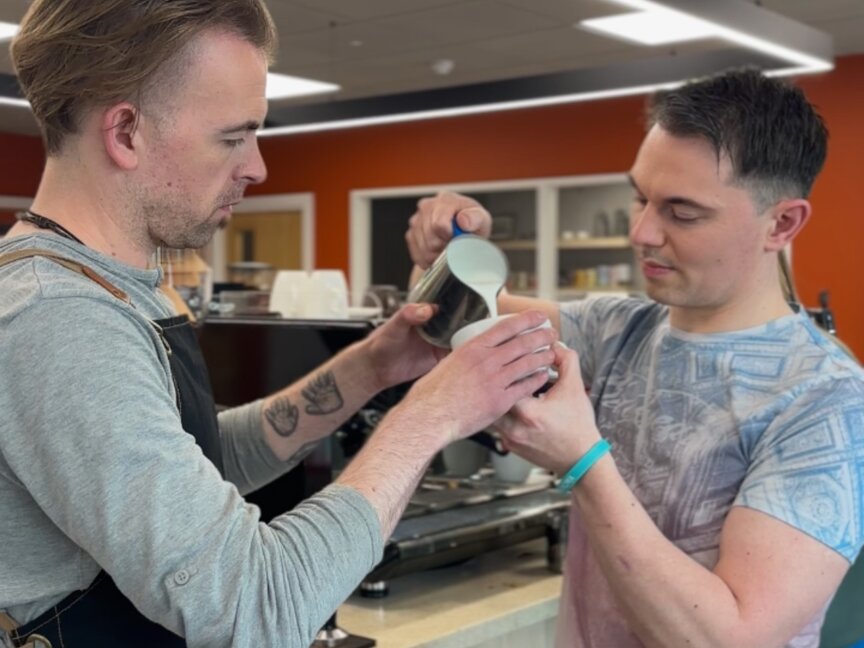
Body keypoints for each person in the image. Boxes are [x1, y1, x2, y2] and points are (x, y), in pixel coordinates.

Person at [0, 1, 558, 647]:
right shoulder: (61, 316)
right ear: (126, 132)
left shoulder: (113, 289)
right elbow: (256, 606)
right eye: (233, 136)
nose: (257, 166)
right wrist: (430, 415)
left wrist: (371, 367)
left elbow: (206, 464)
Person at [405, 68, 864, 647]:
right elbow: (440, 312)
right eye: (641, 198)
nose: (643, 232)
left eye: (683, 212)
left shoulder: (829, 400)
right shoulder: (616, 329)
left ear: (782, 223)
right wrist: (448, 246)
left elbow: (728, 639)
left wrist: (582, 463)